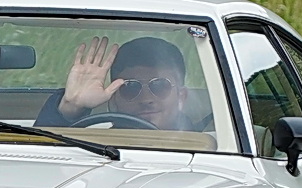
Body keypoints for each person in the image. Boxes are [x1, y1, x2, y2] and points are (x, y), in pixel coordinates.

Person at [35, 36, 193, 130]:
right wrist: (72, 106)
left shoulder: (211, 150)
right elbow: (39, 162)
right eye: (130, 87)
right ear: (113, 98)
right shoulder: (87, 149)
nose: (146, 99)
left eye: (159, 86)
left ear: (181, 97)